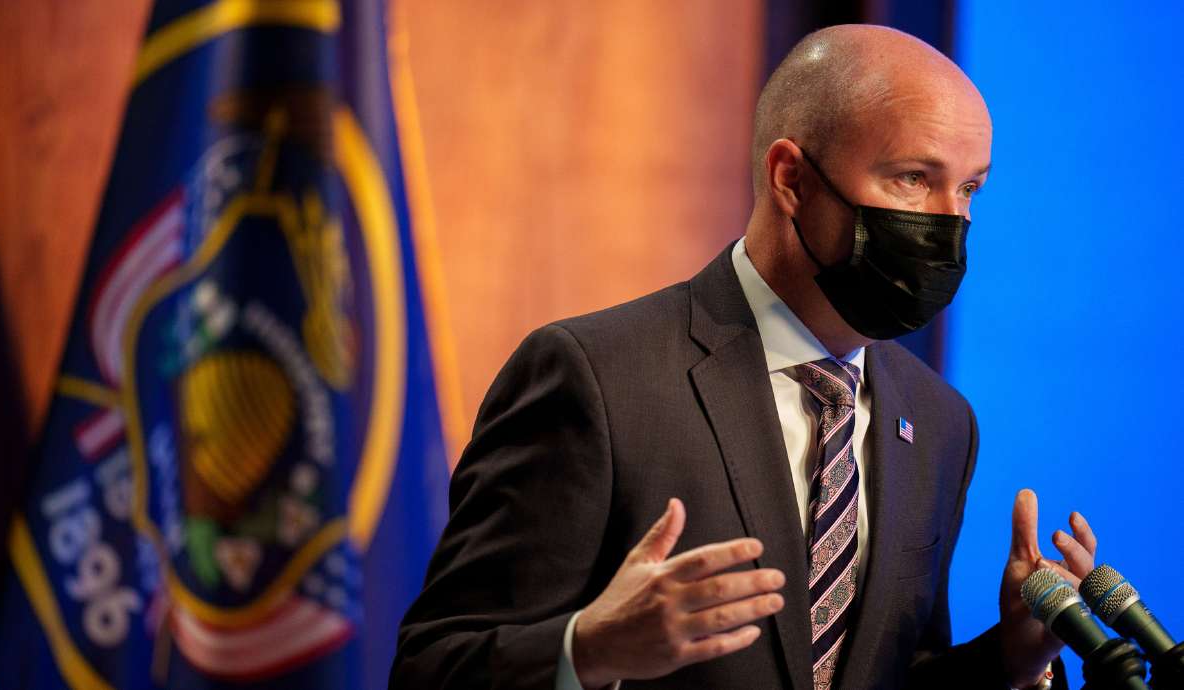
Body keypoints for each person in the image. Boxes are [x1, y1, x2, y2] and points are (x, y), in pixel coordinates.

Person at [390, 24, 1099, 690]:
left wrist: (1009, 655)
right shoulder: (596, 379)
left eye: (970, 187)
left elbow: (890, 673)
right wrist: (589, 648)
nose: (951, 222)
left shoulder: (939, 420)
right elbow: (431, 666)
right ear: (791, 178)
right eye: (913, 178)